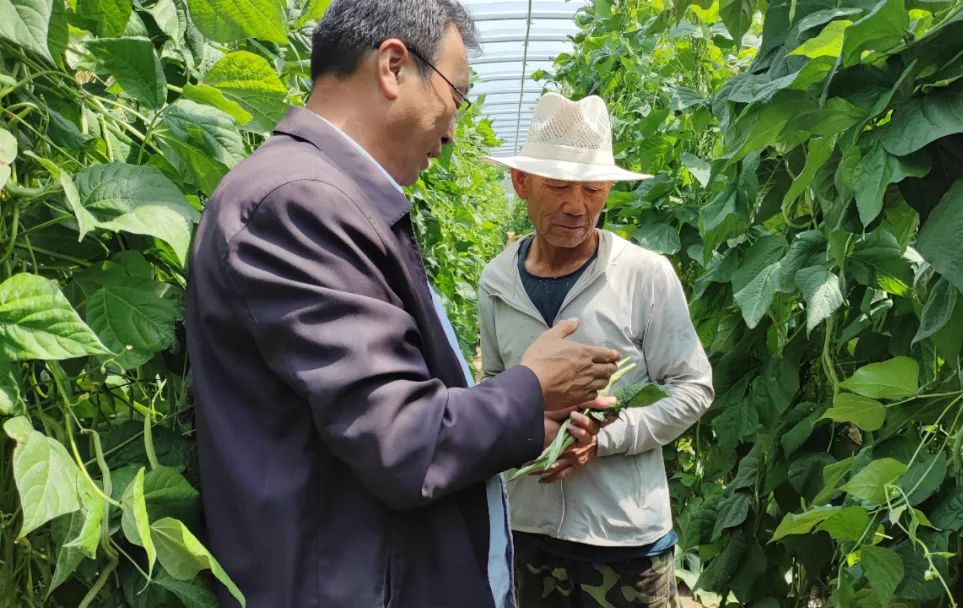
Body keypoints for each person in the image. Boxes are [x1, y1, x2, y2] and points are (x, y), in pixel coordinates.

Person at [183, 3, 621, 607]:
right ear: (393, 66)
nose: (451, 131)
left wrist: (531, 415)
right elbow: (403, 441)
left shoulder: (335, 200)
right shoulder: (300, 203)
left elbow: (377, 411)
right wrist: (531, 388)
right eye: (455, 98)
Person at [478, 93, 715, 608]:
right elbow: (492, 380)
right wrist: (520, 416)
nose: (577, 205)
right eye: (559, 186)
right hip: (526, 529)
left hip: (623, 538)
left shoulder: (643, 274)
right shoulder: (496, 280)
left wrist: (605, 438)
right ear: (521, 183)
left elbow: (693, 387)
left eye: (593, 188)